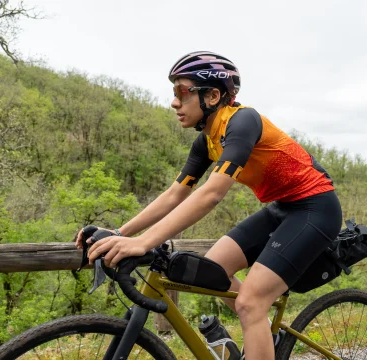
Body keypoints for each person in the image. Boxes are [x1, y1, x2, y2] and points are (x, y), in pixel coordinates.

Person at [77, 51, 342, 359]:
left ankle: (256, 320)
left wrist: (143, 242)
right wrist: (120, 232)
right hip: (282, 207)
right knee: (211, 271)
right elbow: (175, 194)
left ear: (213, 95)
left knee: (249, 303)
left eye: (182, 92)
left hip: (316, 209)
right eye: (173, 93)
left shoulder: (243, 121)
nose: (175, 102)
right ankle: (266, 335)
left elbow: (212, 193)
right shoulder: (206, 141)